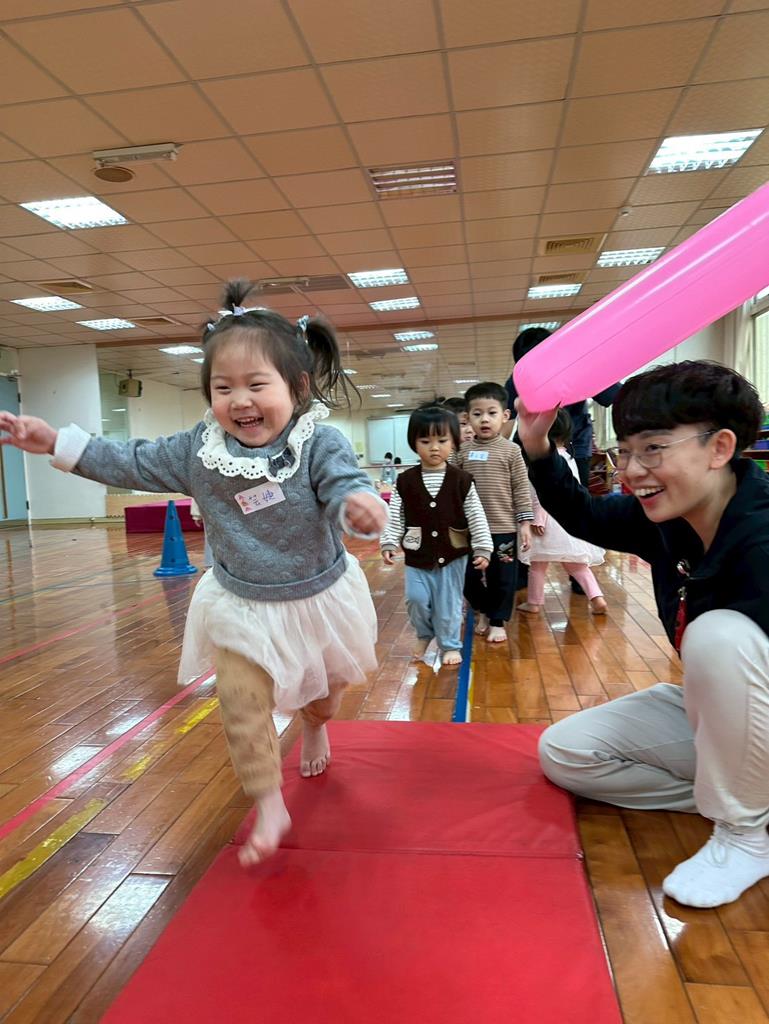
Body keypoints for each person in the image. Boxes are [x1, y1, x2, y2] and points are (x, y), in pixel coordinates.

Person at [0, 280, 387, 868]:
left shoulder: (317, 442)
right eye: (222, 388)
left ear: (298, 387)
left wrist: (358, 503)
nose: (240, 401)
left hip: (316, 595)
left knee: (326, 694)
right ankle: (268, 802)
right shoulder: (198, 451)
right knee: (240, 701)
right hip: (240, 601)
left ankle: (315, 725)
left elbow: (342, 482)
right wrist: (56, 441)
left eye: (256, 384)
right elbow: (129, 459)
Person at [516, 359, 769, 909]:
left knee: (719, 636)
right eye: (626, 451)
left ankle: (745, 834)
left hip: (759, 714)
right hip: (726, 717)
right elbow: (584, 514)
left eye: (653, 449)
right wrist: (536, 445)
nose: (631, 470)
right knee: (567, 752)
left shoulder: (761, 536)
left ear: (720, 447)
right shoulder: (667, 520)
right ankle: (741, 802)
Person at [505, 326, 621, 596]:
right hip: (531, 447)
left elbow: (613, 395)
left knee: (576, 504)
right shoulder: (518, 378)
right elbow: (505, 413)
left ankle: (579, 571)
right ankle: (524, 568)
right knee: (524, 503)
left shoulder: (576, 366)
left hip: (572, 445)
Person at [380, 405, 492, 666]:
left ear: (453, 442)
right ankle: (424, 633)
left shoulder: (462, 480)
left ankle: (450, 644)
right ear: (413, 443)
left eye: (442, 440)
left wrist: (483, 547)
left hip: (453, 553)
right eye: (425, 441)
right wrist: (389, 541)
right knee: (416, 599)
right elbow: (395, 515)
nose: (434, 448)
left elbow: (476, 515)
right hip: (417, 554)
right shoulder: (404, 481)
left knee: (448, 603)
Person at [456, 382, 533, 643]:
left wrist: (525, 523)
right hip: (469, 530)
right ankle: (484, 609)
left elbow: (521, 487)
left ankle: (497, 620)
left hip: (503, 528)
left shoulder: (512, 451)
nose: (484, 419)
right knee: (468, 576)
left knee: (503, 577)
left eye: (491, 413)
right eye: (477, 414)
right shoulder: (462, 452)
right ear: (468, 418)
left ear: (505, 416)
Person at [517, 410, 607, 616]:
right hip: (569, 521)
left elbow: (543, 492)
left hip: (547, 521)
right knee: (577, 566)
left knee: (537, 565)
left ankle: (534, 603)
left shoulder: (544, 460)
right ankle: (597, 598)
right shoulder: (569, 457)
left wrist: (538, 518)